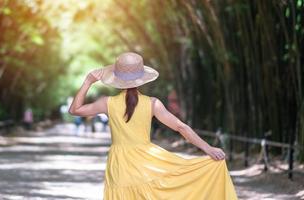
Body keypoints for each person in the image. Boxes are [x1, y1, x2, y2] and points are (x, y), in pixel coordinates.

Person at [68, 52, 238, 200]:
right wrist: (208, 149)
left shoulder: (107, 103)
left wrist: (88, 82)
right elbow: (181, 127)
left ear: (117, 78)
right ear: (141, 79)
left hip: (120, 164)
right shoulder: (152, 104)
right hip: (148, 161)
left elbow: (74, 110)